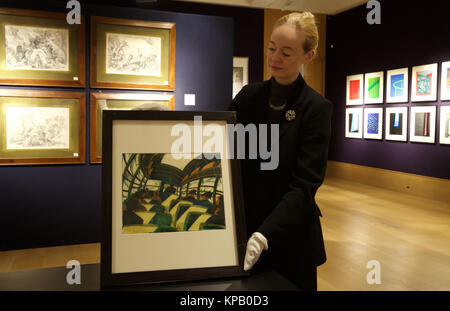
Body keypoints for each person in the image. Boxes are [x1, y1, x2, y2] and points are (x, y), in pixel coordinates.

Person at [229, 12, 332, 291]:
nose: (274, 57)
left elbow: (305, 185)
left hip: (292, 239)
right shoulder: (248, 97)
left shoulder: (316, 109)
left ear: (307, 56)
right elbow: (221, 147)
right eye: (272, 48)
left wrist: (265, 234)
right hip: (246, 229)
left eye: (286, 53)